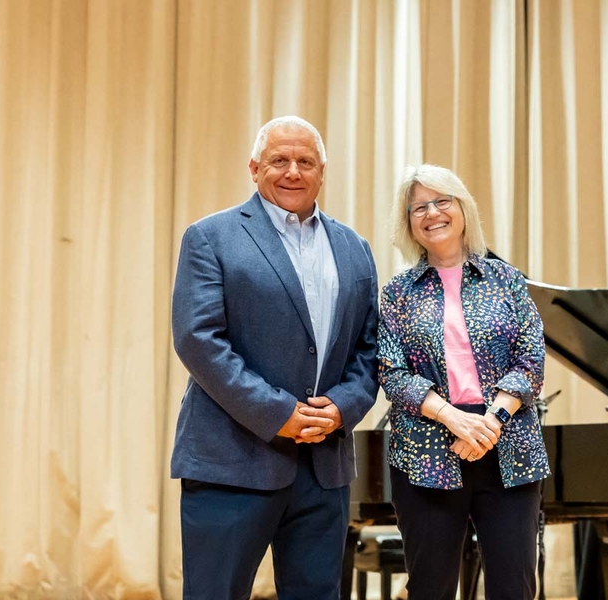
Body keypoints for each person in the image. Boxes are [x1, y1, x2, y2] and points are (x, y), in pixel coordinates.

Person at [170, 115, 379, 600]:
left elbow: (370, 347)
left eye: (305, 161)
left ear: (322, 172)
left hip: (323, 468)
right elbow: (198, 340)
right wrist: (278, 413)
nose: (292, 171)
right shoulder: (210, 237)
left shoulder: (354, 247)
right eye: (279, 160)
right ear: (254, 168)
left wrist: (343, 407)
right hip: (231, 461)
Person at [377, 164, 550, 600]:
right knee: (430, 588)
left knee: (514, 587)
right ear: (409, 224)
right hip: (429, 448)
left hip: (507, 443)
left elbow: (530, 357)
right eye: (419, 207)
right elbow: (391, 372)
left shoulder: (507, 279)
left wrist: (489, 421)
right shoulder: (397, 294)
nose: (432, 212)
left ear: (463, 210)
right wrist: (455, 419)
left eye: (442, 201)